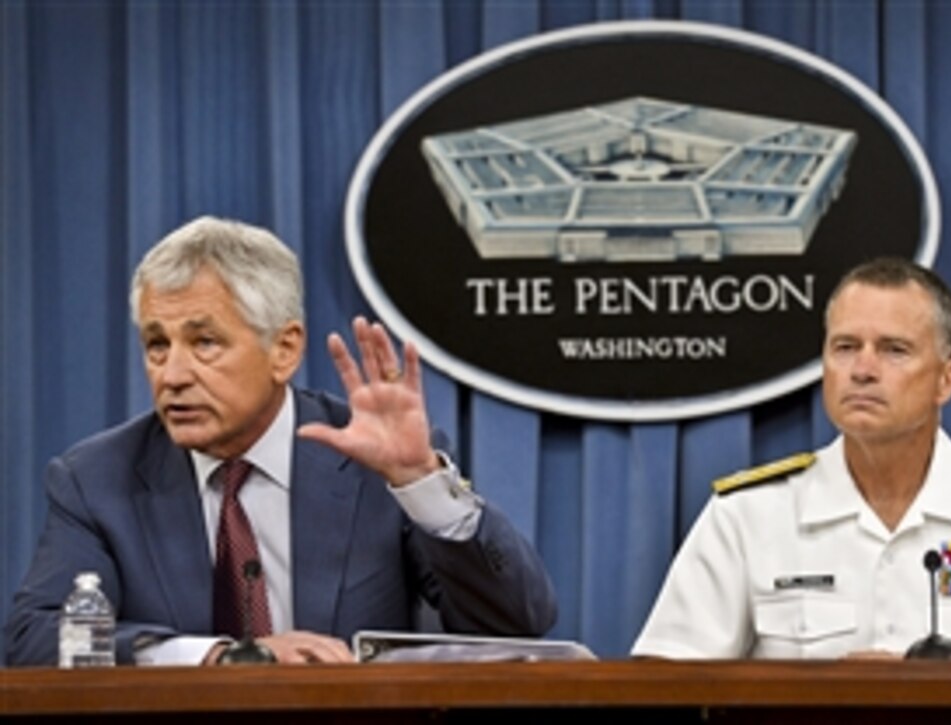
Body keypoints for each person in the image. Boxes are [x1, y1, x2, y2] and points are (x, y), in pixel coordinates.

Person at [4, 216, 556, 666]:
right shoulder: (97, 479)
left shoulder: (372, 460)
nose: (171, 374)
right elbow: (32, 640)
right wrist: (222, 656)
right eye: (156, 344)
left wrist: (420, 482)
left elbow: (516, 623)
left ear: (284, 350)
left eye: (204, 343)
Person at [632, 257, 951, 660]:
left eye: (894, 350)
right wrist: (836, 696)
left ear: (946, 381)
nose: (863, 370)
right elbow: (668, 686)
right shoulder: (748, 516)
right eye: (845, 347)